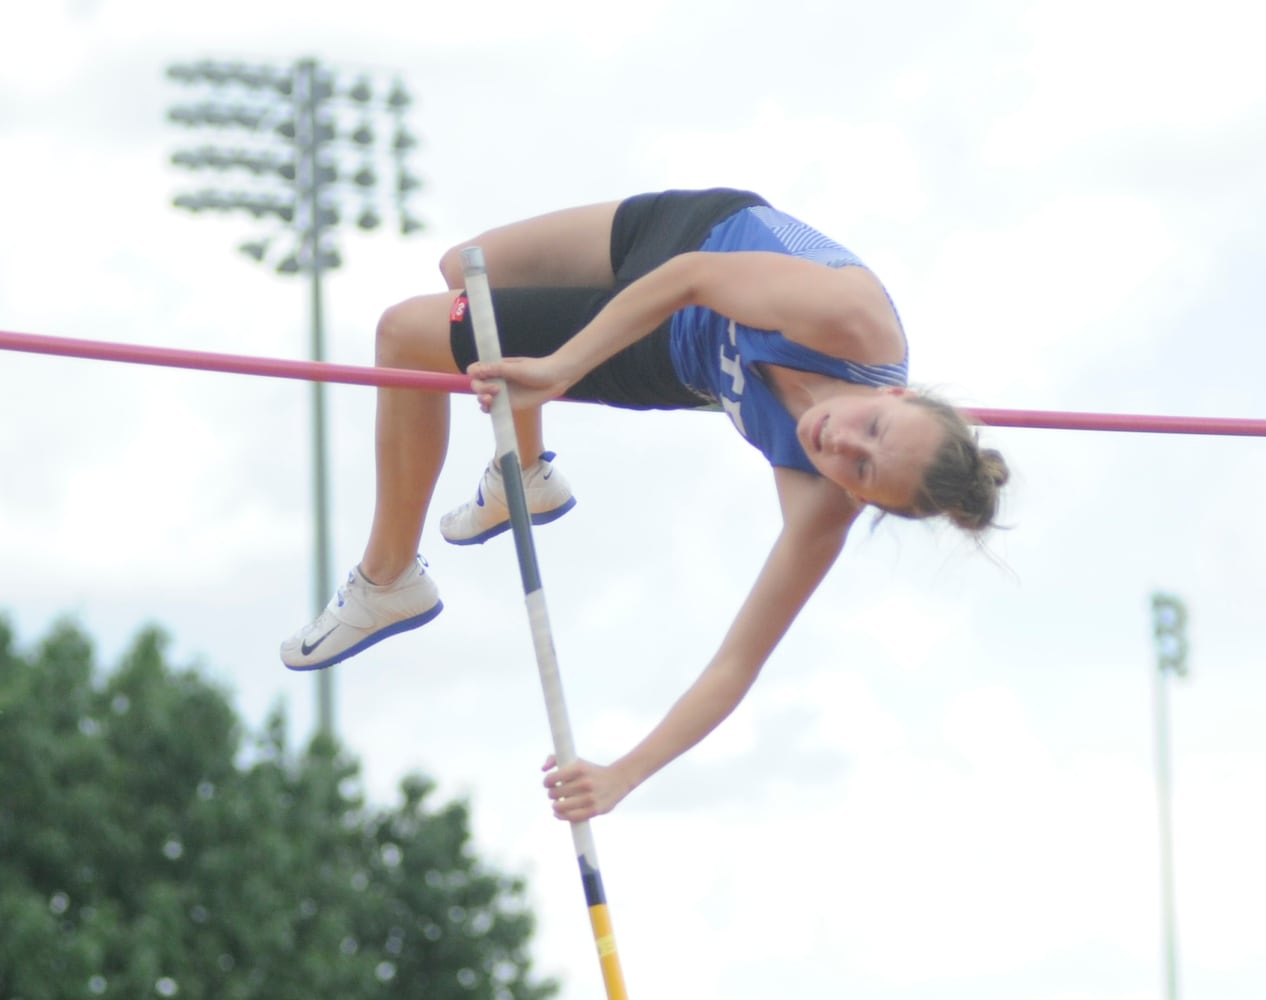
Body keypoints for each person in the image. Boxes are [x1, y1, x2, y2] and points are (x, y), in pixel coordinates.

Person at [280, 187, 1009, 822]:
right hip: (695, 235)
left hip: (663, 352)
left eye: (860, 470)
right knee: (466, 265)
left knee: (407, 333)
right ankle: (525, 475)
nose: (840, 443)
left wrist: (623, 774)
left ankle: (389, 579)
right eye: (873, 429)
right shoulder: (849, 319)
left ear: (856, 496)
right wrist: (560, 371)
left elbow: (736, 665)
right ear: (894, 393)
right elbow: (690, 277)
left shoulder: (822, 505)